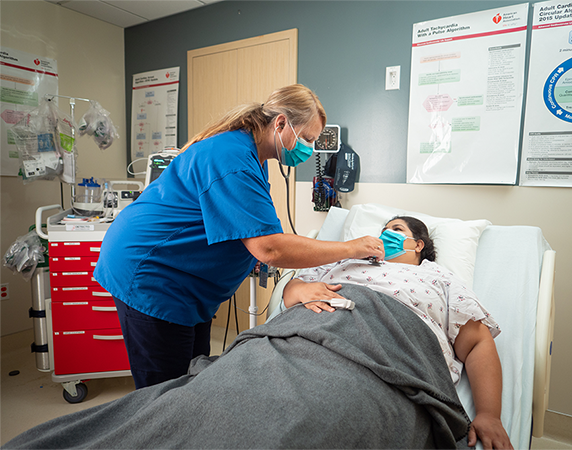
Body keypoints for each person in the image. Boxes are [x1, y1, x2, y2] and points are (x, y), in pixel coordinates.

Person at [93, 84, 384, 389]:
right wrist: (350, 248)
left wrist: (251, 261)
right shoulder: (232, 158)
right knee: (163, 394)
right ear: (281, 123)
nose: (309, 149)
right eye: (308, 139)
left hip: (184, 281)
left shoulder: (253, 157)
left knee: (191, 376)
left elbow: (237, 224)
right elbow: (269, 247)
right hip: (150, 272)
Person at [282, 216, 514, 450]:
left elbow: (477, 342)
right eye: (383, 230)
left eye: (396, 229)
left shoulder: (437, 276)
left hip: (391, 342)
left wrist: (489, 415)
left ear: (418, 245)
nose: (385, 234)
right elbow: (291, 292)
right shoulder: (341, 260)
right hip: (310, 328)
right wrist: (301, 288)